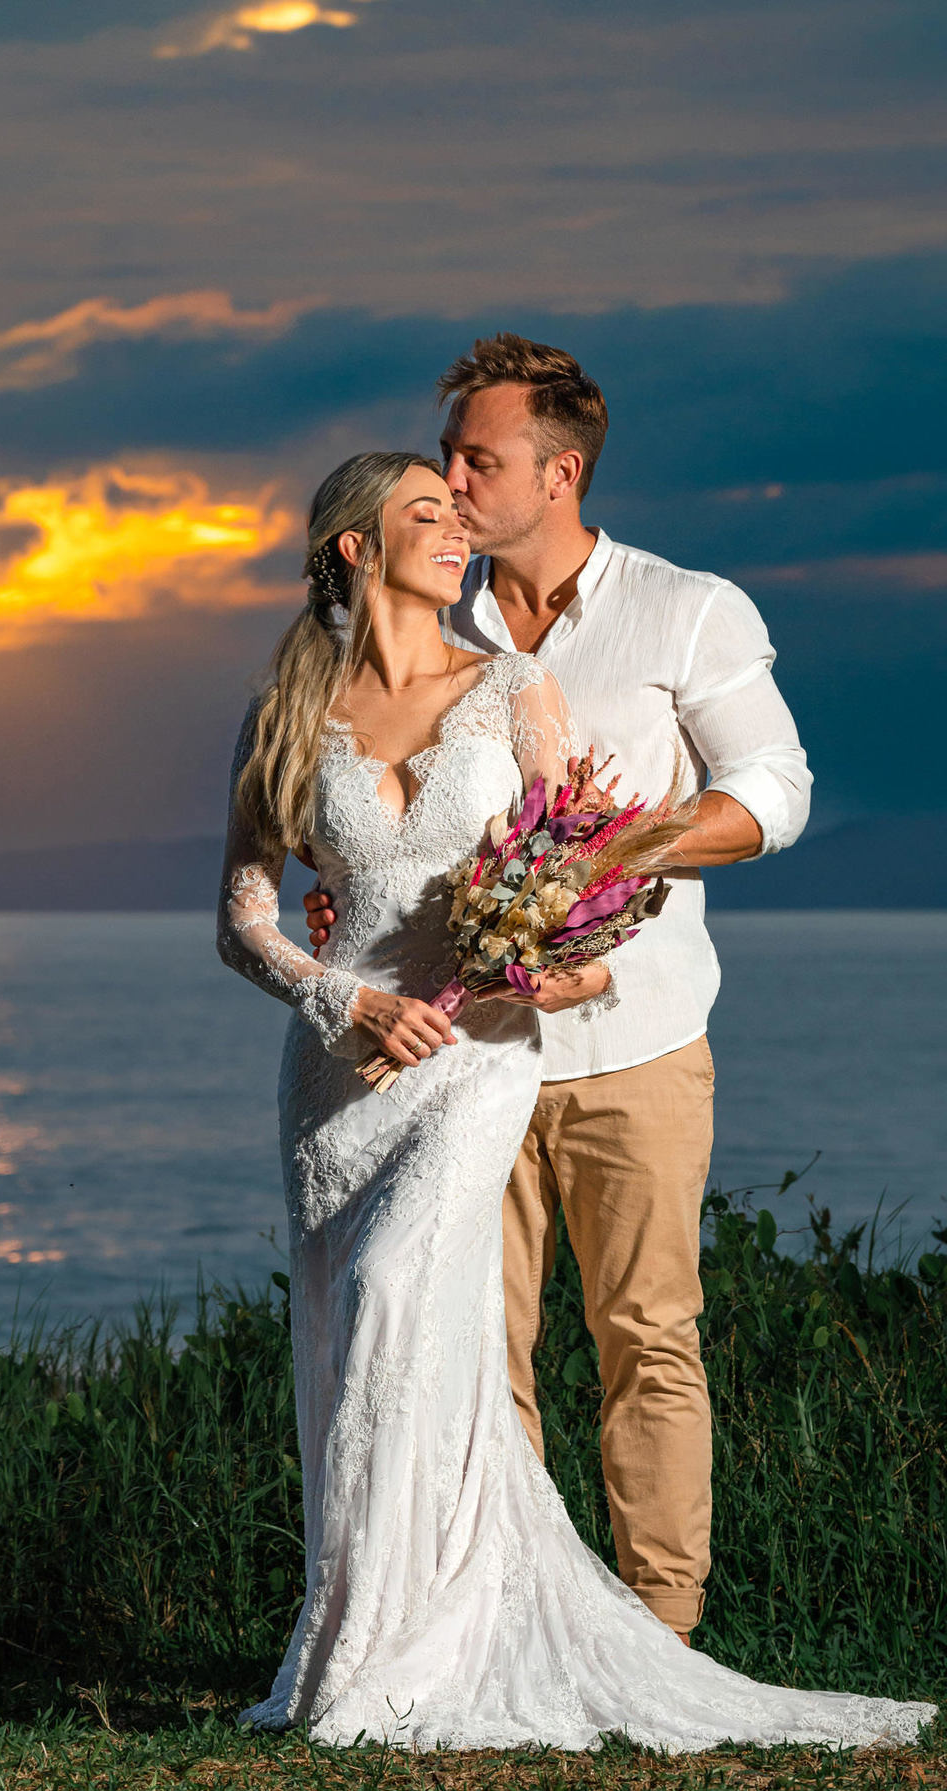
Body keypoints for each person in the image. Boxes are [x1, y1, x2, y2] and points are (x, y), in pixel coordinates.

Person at [217, 448, 931, 1750]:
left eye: (460, 502)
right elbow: (243, 917)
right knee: (352, 1343)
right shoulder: (286, 707)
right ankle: (353, 1645)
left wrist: (541, 964)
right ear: (353, 551)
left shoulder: (513, 691)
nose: (457, 529)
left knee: (392, 1301)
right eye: (426, 514)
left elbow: (584, 898)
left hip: (478, 1059)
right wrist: (342, 996)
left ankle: (431, 1651)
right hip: (337, 1074)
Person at [303, 336, 812, 1644]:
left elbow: (773, 791)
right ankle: (509, 1629)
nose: (453, 480)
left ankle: (660, 1628)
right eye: (449, 456)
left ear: (561, 470)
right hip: (466, 1060)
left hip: (637, 1042)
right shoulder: (427, 610)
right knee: (476, 1352)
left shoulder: (684, 608)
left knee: (648, 1342)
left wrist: (614, 852)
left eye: (481, 458)